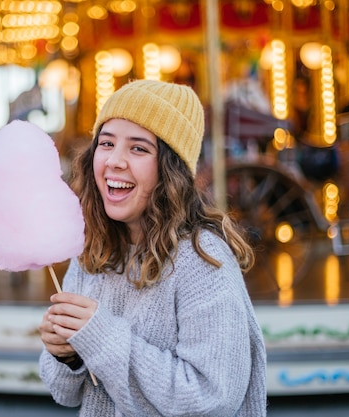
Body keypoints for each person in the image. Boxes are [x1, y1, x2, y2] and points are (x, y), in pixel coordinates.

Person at [38, 79, 267, 416]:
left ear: (170, 170)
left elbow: (212, 401)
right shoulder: (92, 252)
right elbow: (64, 393)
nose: (115, 161)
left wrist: (100, 337)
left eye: (139, 148)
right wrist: (66, 354)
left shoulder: (203, 260)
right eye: (106, 143)